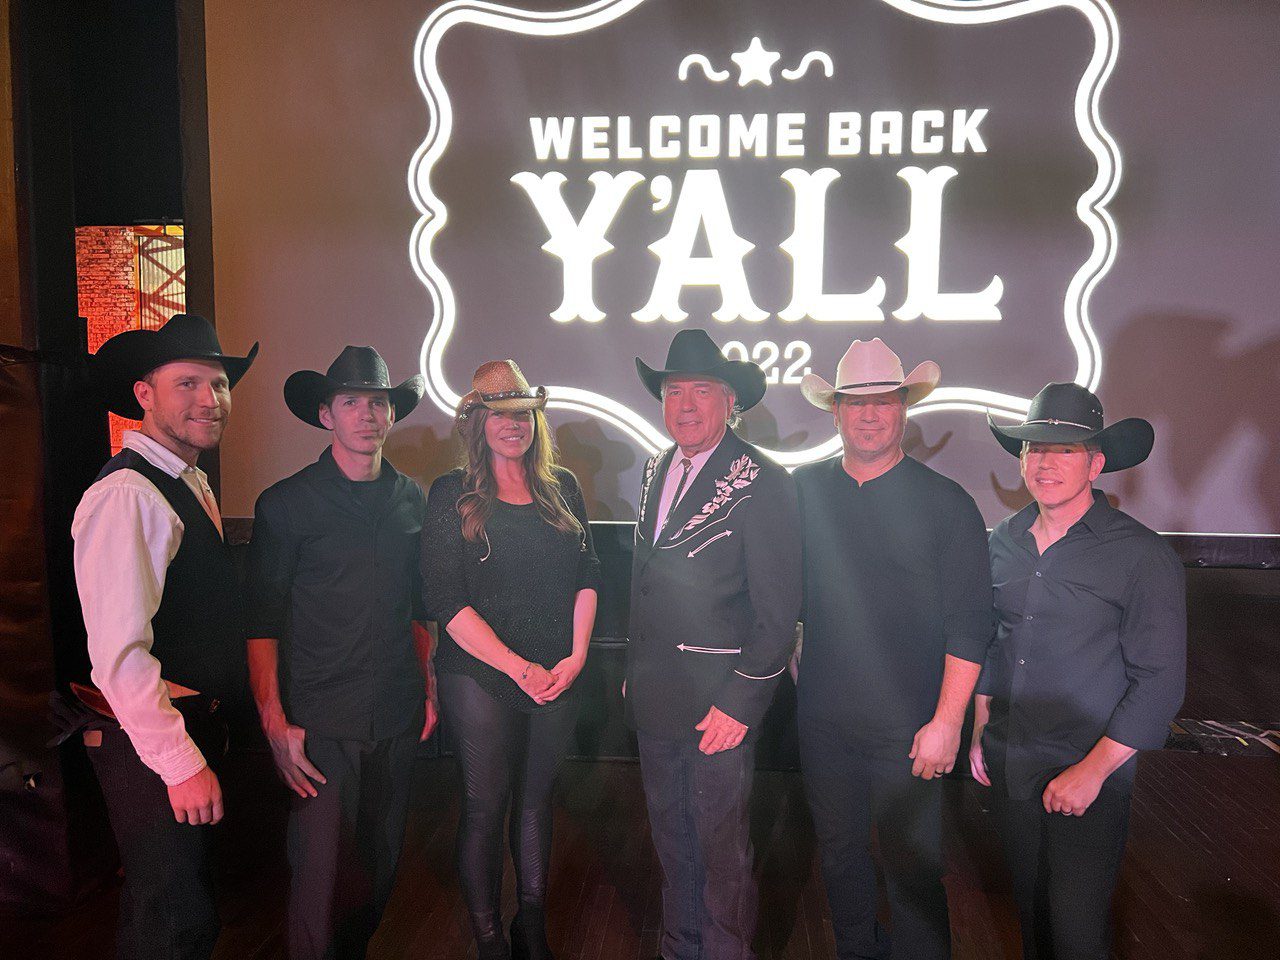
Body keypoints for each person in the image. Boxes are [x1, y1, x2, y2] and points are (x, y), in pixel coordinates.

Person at [793, 338, 994, 960]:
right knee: (841, 861)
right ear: (836, 412)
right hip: (824, 724)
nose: (870, 414)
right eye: (856, 402)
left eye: (885, 401)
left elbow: (970, 626)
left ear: (905, 408)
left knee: (913, 870)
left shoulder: (947, 505)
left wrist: (946, 723)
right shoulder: (803, 492)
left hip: (912, 726)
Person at [971, 382, 1185, 960]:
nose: (1045, 462)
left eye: (1064, 450)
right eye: (1034, 448)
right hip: (1011, 762)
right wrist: (979, 729)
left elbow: (1160, 683)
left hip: (1090, 770)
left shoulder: (1141, 556)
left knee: (1076, 933)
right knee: (1032, 919)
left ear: (1095, 464)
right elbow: (992, 642)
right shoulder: (1000, 543)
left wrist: (1092, 772)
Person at [71, 313, 258, 960]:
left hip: (187, 724)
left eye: (219, 384)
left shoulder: (188, 481)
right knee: (173, 921)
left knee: (175, 909)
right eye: (188, 384)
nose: (209, 399)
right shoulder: (130, 494)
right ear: (144, 394)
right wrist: (179, 766)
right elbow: (119, 657)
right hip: (148, 740)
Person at [244, 346, 435, 960]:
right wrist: (275, 722)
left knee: (379, 863)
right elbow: (261, 621)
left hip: (397, 708)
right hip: (322, 719)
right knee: (319, 874)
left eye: (377, 402)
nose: (366, 414)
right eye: (351, 402)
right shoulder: (286, 503)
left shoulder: (413, 499)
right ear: (326, 414)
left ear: (390, 414)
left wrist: (428, 688)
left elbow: (418, 608)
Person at [628, 328, 801, 960]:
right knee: (672, 843)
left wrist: (741, 704)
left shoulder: (764, 481)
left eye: (702, 391)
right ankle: (680, 950)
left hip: (718, 708)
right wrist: (634, 668)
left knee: (721, 851)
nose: (686, 405)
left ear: (731, 402)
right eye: (675, 391)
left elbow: (779, 613)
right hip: (656, 698)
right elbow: (644, 578)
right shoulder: (655, 468)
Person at [421, 359, 600, 960]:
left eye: (521, 412)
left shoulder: (563, 487)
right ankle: (489, 936)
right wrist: (516, 666)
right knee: (484, 804)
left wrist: (575, 656)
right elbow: (444, 601)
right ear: (477, 423)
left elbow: (589, 575)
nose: (512, 423)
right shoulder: (453, 494)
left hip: (557, 670)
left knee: (535, 801)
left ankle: (532, 924)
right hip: (479, 675)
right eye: (498, 413)